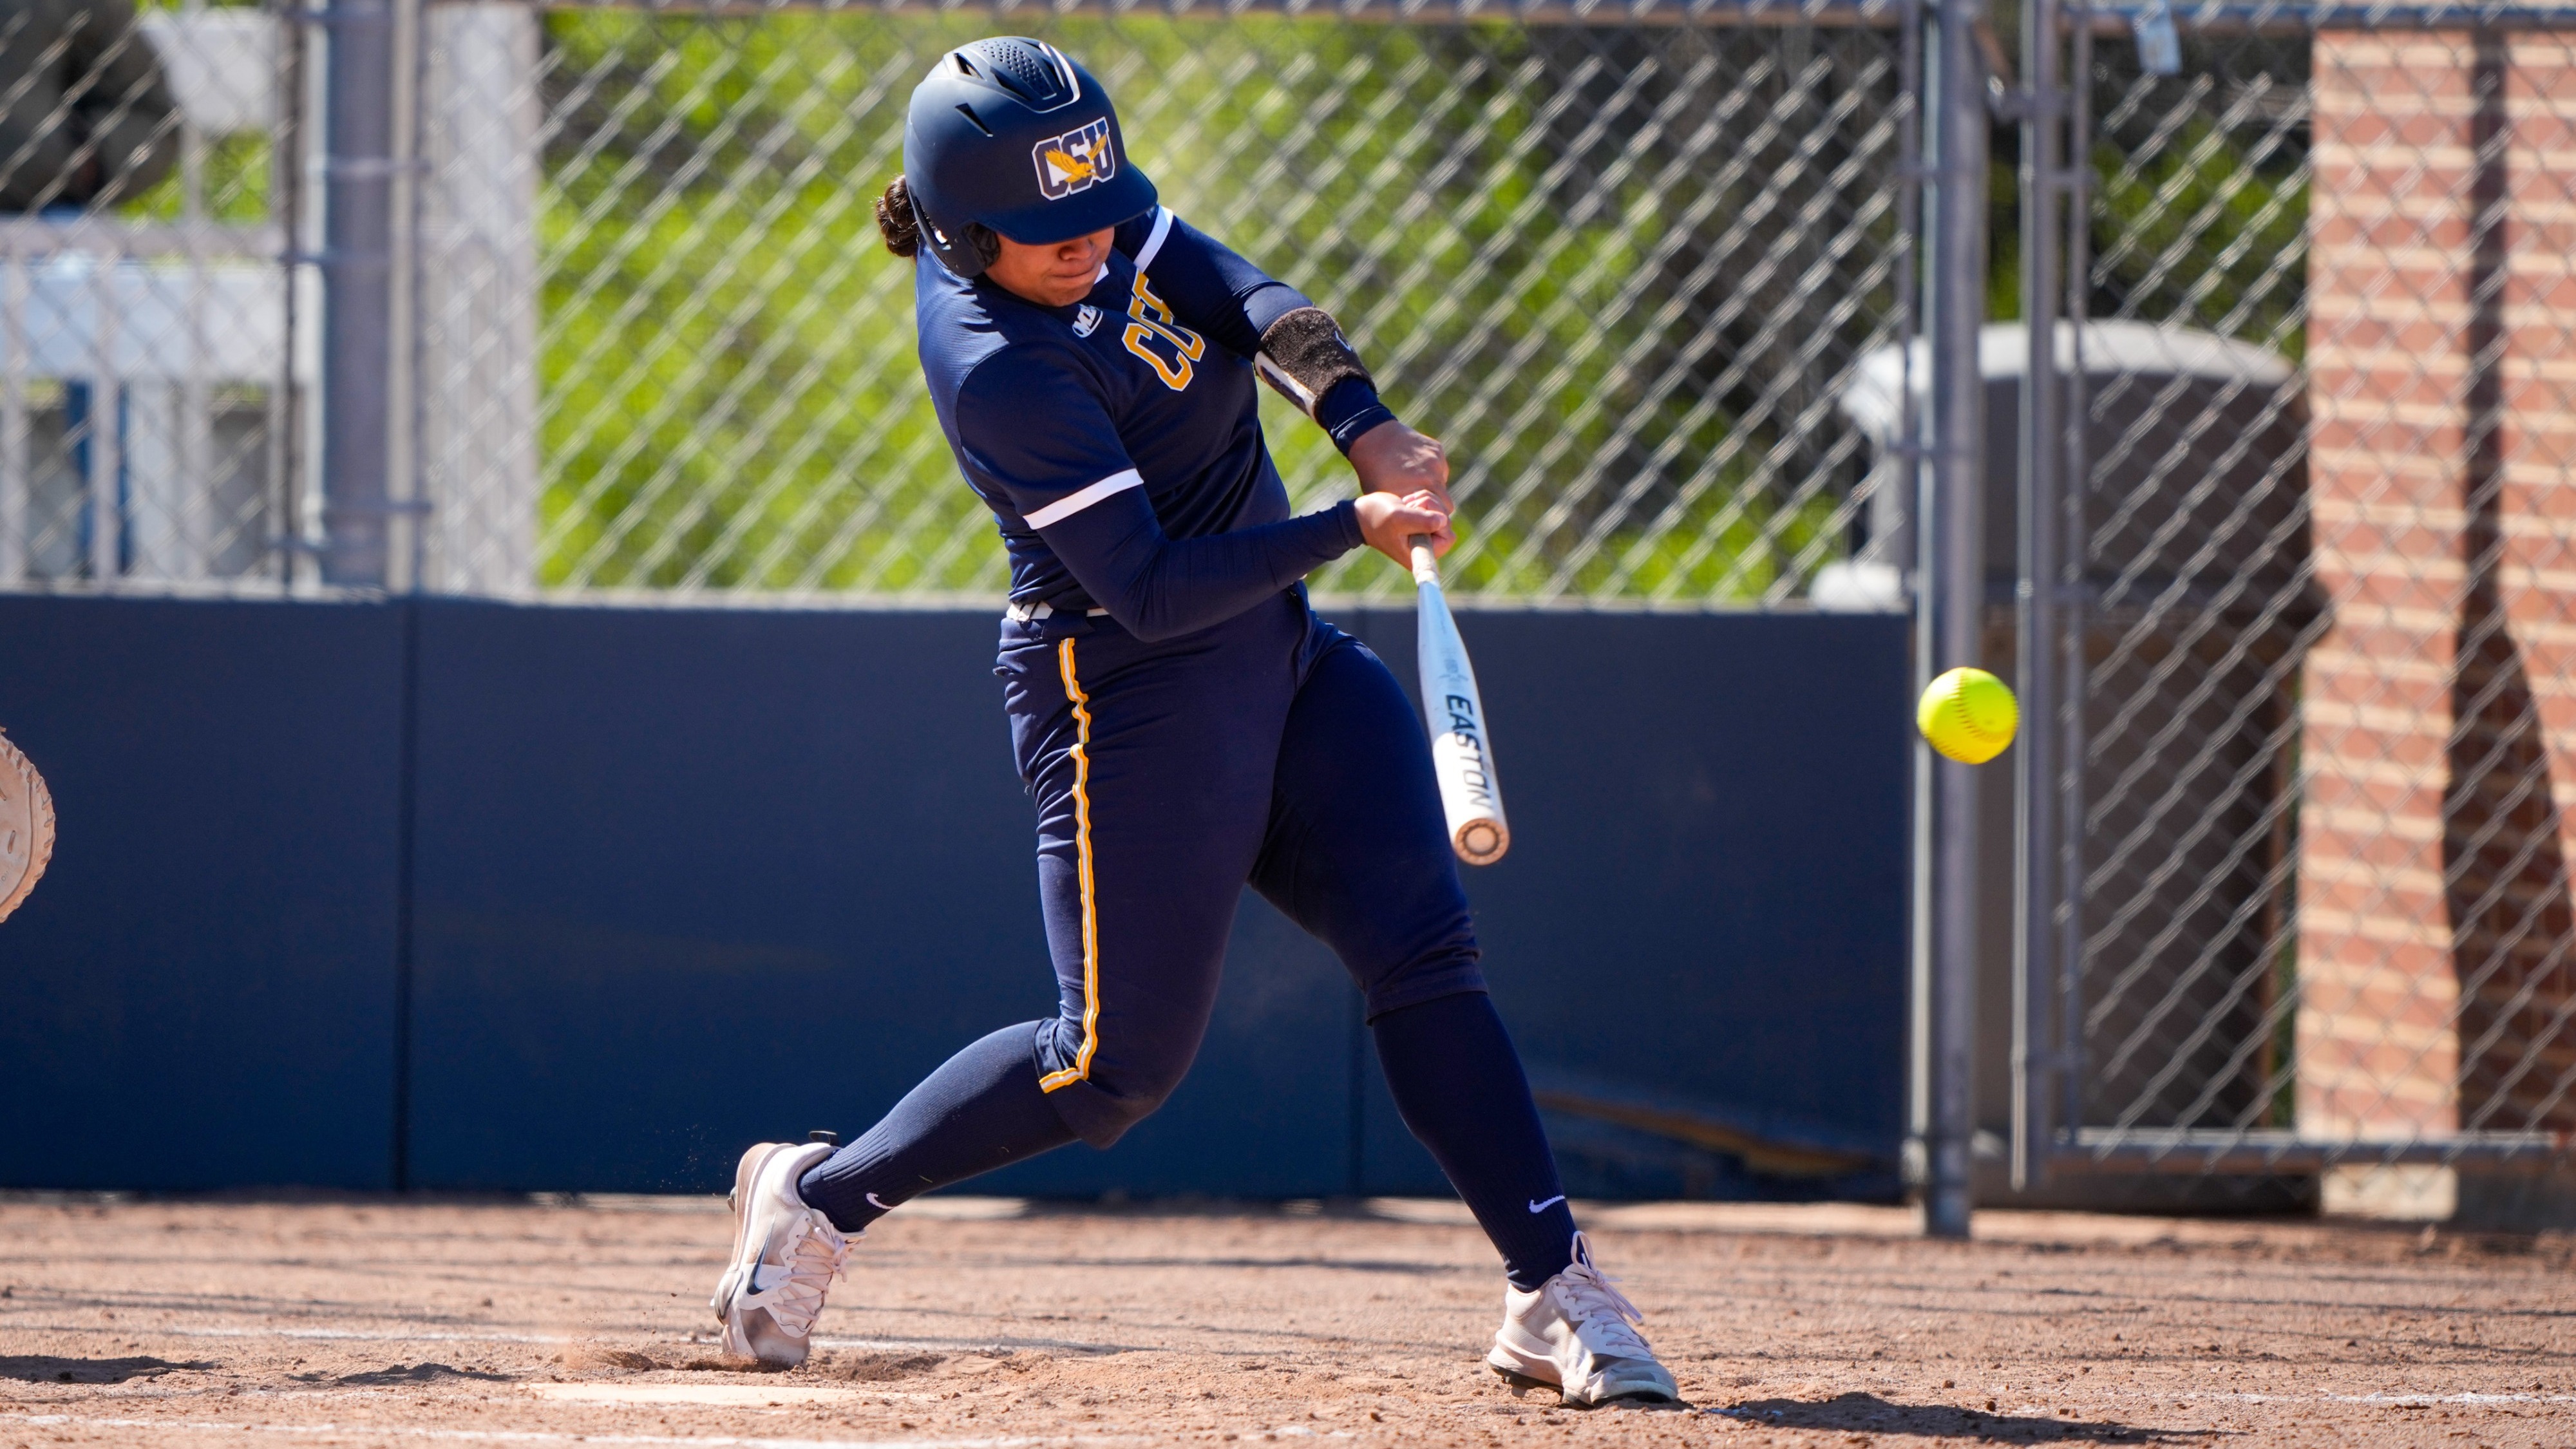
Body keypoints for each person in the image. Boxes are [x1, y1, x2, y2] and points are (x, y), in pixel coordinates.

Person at [706, 37, 1682, 1410]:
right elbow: (1155, 591)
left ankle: (1551, 1285)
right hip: (1128, 695)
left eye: (1099, 208)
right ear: (959, 229)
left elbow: (1242, 290)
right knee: (1108, 1066)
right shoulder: (991, 361)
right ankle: (816, 1195)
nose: (1093, 241)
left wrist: (1362, 420)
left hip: (1275, 658)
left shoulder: (1088, 219)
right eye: (1049, 234)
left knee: (1424, 955)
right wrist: (1347, 525)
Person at [0, 0, 178, 214]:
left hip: (50, 213)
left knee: (79, 245)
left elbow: (149, 117)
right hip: (46, 207)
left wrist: (84, 161)